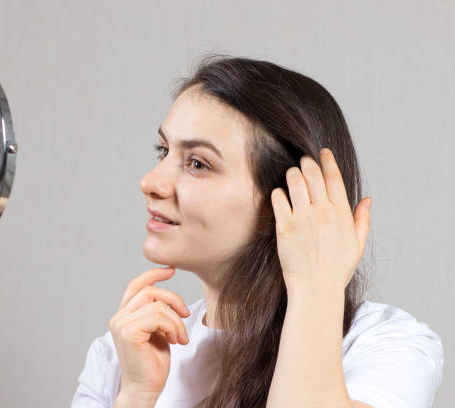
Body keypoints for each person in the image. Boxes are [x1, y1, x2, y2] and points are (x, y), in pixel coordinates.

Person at [71, 54, 444, 408]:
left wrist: (316, 285)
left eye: (197, 163)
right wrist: (136, 395)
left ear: (292, 200)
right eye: (162, 150)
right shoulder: (122, 355)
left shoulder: (385, 345)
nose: (151, 182)